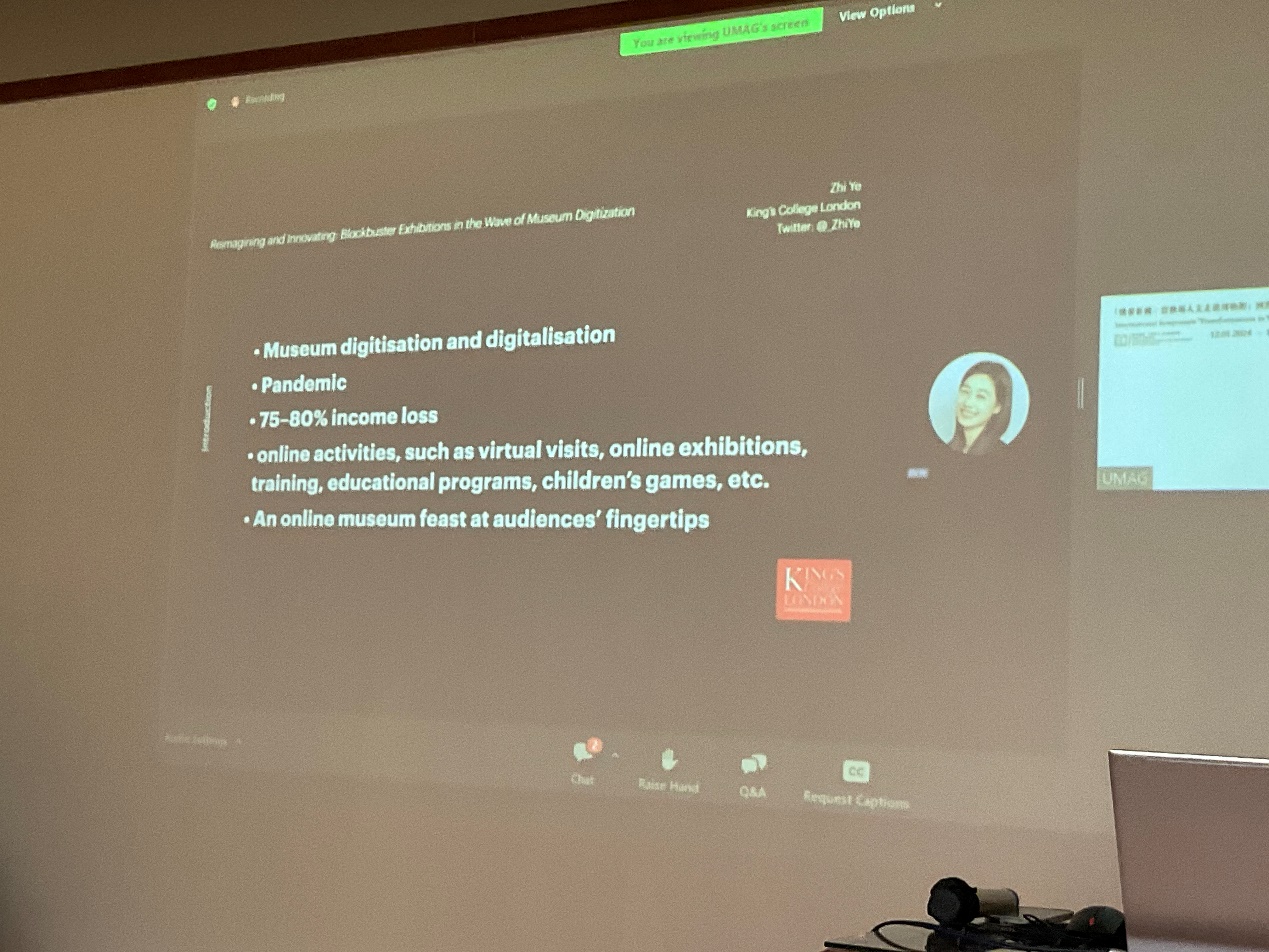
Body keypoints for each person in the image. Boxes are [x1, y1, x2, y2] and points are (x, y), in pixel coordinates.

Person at [947, 360, 1012, 455]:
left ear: (997, 407)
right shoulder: (950, 447)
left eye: (980, 396)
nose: (968, 402)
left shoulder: (1002, 454)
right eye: (965, 391)